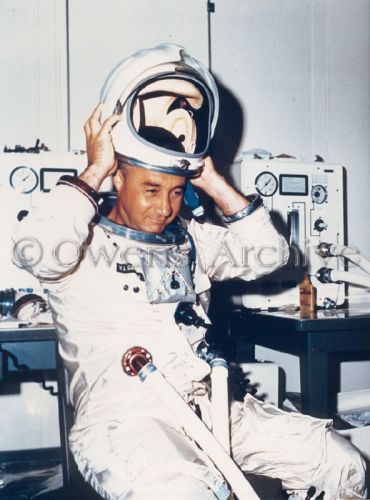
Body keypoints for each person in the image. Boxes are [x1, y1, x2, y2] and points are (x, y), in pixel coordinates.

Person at [12, 44, 366, 500]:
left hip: (214, 411)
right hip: (126, 419)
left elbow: (269, 253)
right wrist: (93, 168)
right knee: (182, 491)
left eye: (177, 192)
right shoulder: (81, 241)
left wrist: (212, 180)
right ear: (118, 178)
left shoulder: (190, 239)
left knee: (338, 462)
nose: (164, 207)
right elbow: (36, 252)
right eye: (152, 189)